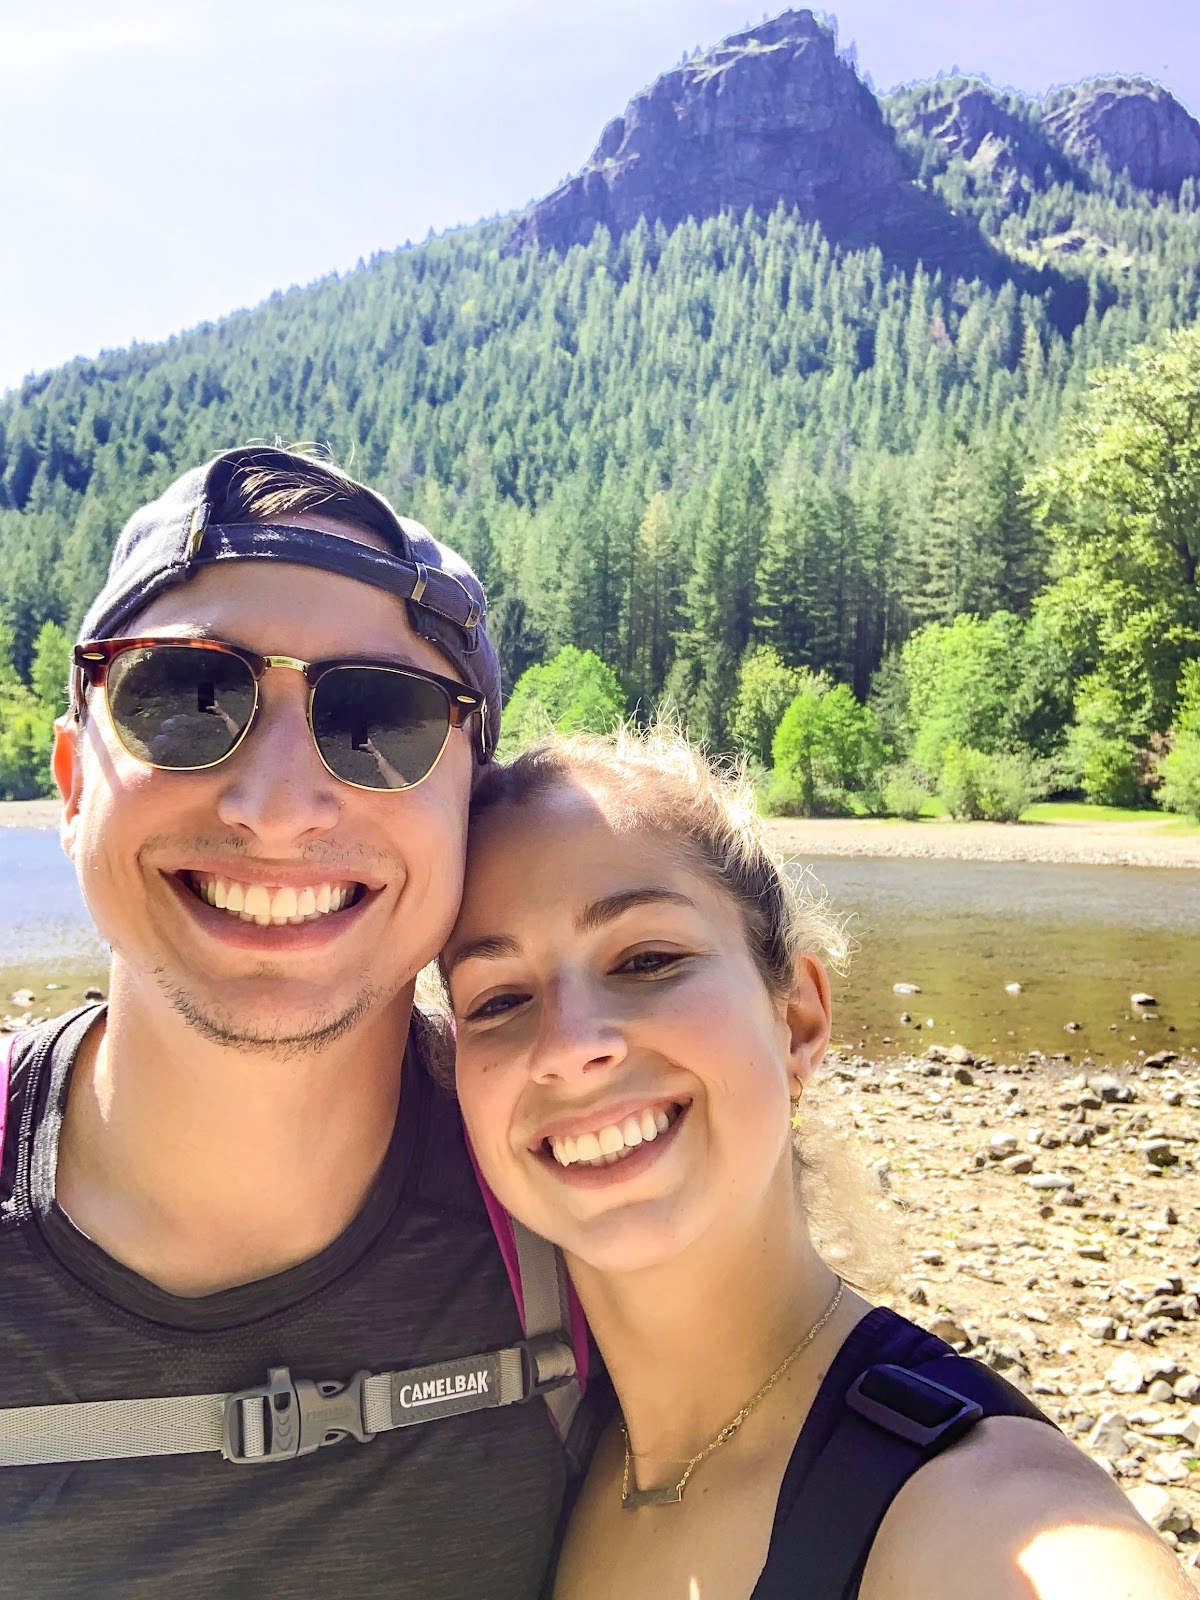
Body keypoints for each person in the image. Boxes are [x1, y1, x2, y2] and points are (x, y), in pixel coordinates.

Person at [0, 446, 569, 1599]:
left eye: (383, 720)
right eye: (183, 697)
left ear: (473, 809)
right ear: (73, 781)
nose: (273, 808)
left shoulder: (576, 1208)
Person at [444, 724, 1189, 1600]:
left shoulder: (979, 1514)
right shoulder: (535, 1461)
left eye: (647, 959)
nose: (571, 1047)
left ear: (797, 1020)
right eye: (498, 1000)